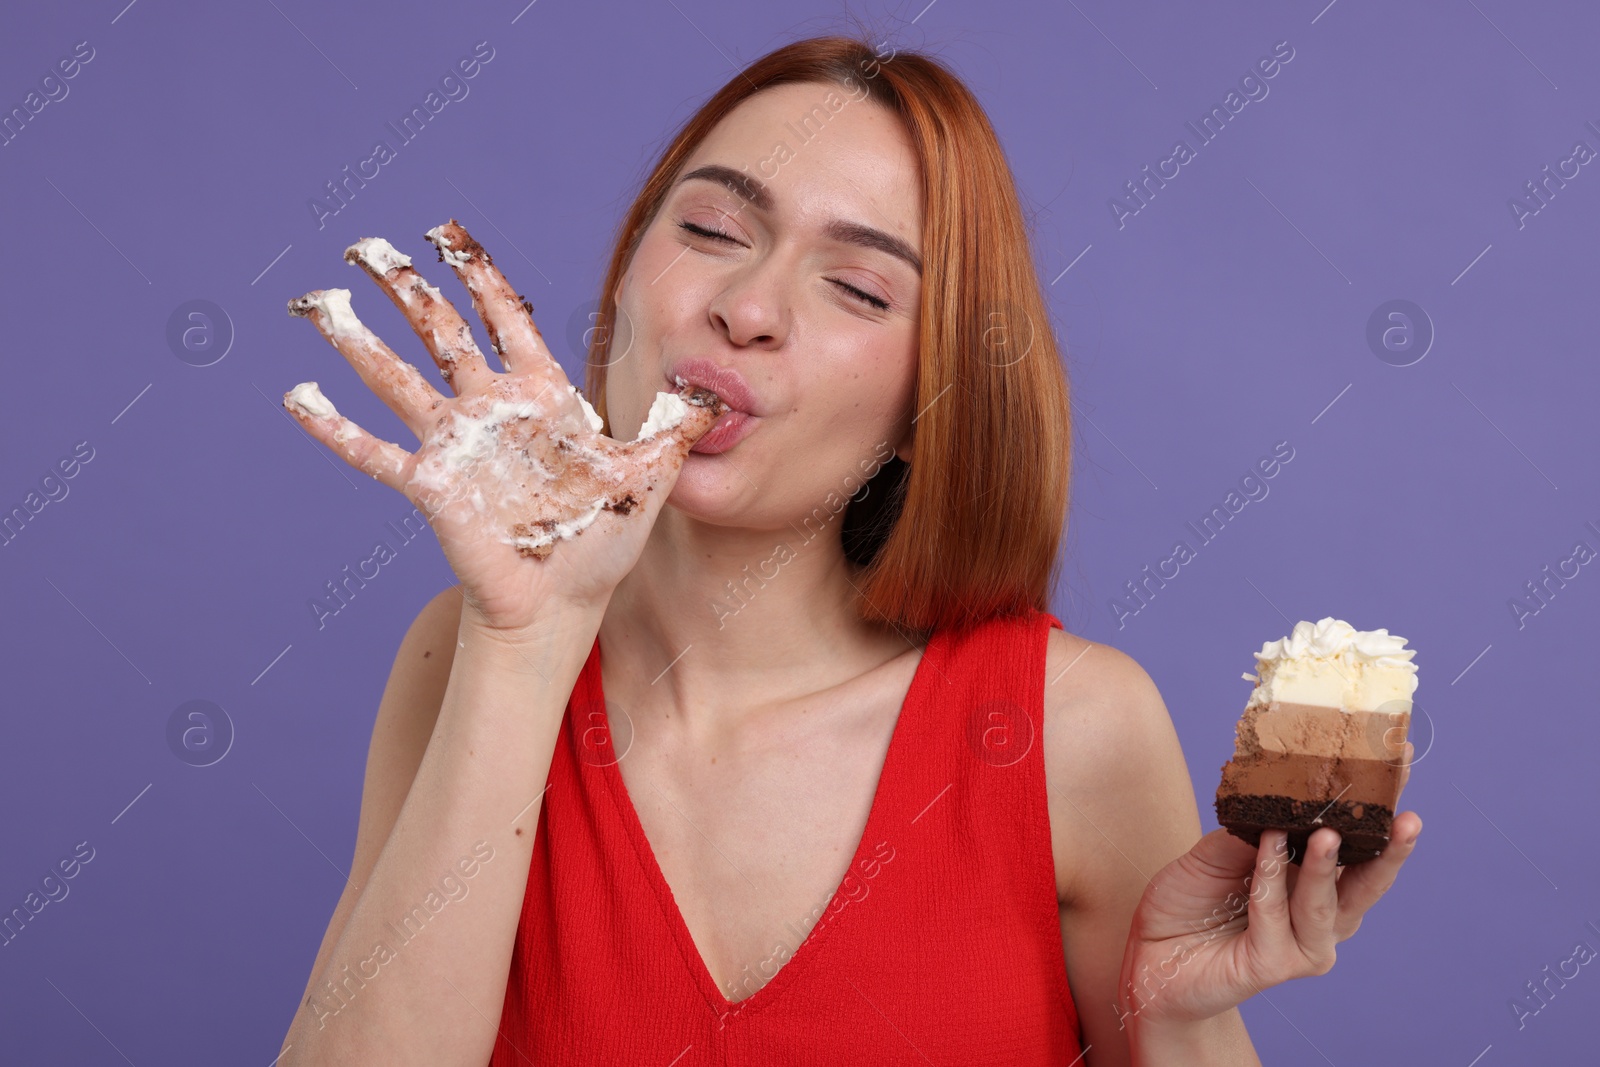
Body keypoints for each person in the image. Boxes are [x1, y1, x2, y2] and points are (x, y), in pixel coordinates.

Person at [274, 32, 1421, 1066]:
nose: (750, 305)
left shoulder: (1073, 724)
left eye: (859, 287)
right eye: (713, 229)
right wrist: (529, 638)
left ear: (933, 394)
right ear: (626, 275)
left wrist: (1174, 1022)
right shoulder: (466, 651)